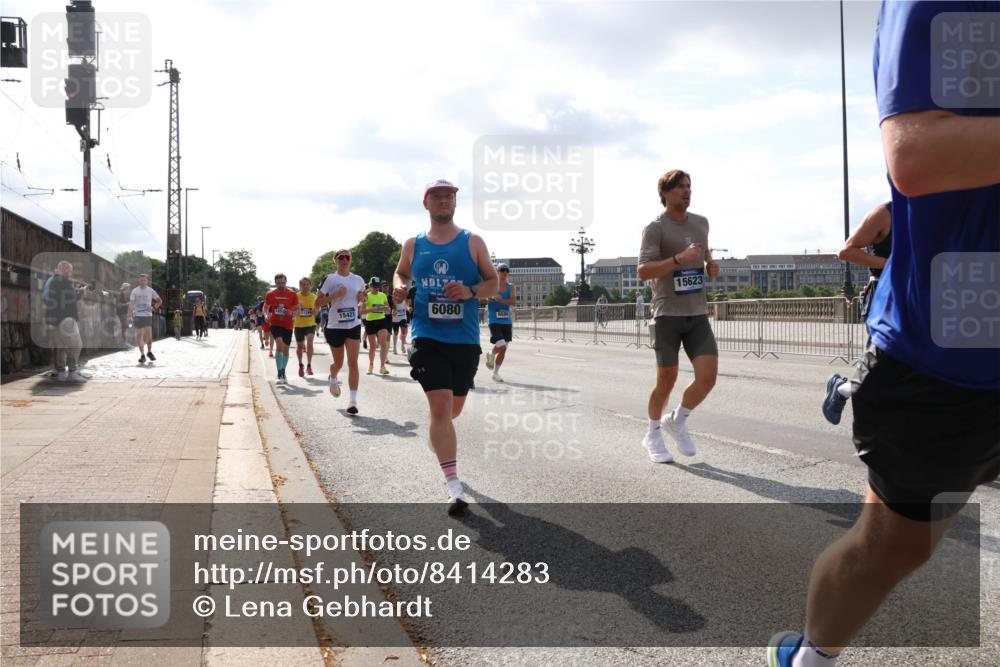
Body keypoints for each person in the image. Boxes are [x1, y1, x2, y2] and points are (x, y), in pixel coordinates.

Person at [768, 2, 1000, 666]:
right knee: (894, 548)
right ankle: (812, 655)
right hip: (947, 353)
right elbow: (914, 155)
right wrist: (882, 262)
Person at [393, 179, 498, 515]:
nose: (442, 201)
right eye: (436, 196)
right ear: (426, 204)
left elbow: (493, 283)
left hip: (464, 339)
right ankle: (454, 486)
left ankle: (438, 436)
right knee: (440, 409)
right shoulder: (413, 244)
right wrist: (399, 287)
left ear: (455, 203)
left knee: (452, 411)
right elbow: (401, 274)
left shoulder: (473, 241)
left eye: (448, 196)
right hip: (426, 334)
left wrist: (469, 292)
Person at [636, 169, 720, 463]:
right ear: (666, 193)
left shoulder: (701, 223)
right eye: (681, 187)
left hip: (697, 312)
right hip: (667, 313)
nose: (687, 191)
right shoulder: (655, 228)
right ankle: (653, 433)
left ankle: (678, 419)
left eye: (689, 186)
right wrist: (676, 260)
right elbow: (644, 271)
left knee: (708, 378)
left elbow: (705, 255)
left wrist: (711, 266)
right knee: (666, 380)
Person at [821, 201, 892, 425]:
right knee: (878, 365)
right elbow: (846, 251)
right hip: (885, 296)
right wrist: (890, 263)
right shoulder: (886, 213)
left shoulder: (936, 212)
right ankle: (841, 390)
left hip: (921, 297)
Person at [316, 249, 366, 414]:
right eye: (341, 257)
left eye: (347, 257)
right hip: (335, 326)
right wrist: (335, 295)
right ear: (336, 261)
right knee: (339, 363)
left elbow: (362, 303)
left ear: (350, 260)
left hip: (353, 324)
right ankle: (333, 376)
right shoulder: (330, 279)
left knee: (353, 362)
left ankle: (353, 401)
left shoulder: (358, 280)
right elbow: (317, 303)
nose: (344, 260)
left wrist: (362, 298)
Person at [42, 260, 88, 382]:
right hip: (66, 318)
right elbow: (71, 298)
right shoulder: (63, 282)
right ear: (61, 269)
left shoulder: (51, 281)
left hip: (55, 319)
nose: (69, 272)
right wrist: (81, 292)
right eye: (67, 269)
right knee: (76, 345)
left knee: (61, 347)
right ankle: (72, 372)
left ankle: (61, 373)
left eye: (69, 269)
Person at [264, 273, 299, 384]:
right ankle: (279, 373)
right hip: (275, 323)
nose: (281, 285)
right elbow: (266, 306)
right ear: (275, 283)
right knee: (279, 343)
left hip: (288, 324)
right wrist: (266, 315)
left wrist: (292, 312)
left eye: (283, 283)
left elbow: (298, 310)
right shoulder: (270, 294)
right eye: (278, 283)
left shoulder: (293, 294)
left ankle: (283, 370)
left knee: (286, 348)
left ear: (286, 282)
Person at [484, 263, 516, 383]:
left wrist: (500, 299)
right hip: (494, 320)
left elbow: (513, 301)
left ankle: (496, 373)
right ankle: (491, 353)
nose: (505, 272)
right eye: (502, 270)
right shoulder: (492, 285)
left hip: (506, 321)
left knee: (504, 349)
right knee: (501, 345)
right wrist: (490, 297)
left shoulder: (511, 286)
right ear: (497, 272)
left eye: (507, 270)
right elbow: (481, 297)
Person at [128, 273, 162, 364]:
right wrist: (129, 315)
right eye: (141, 280)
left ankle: (149, 352)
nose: (142, 281)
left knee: (149, 336)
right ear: (138, 280)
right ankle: (142, 355)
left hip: (147, 315)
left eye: (144, 280)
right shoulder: (135, 291)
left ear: (147, 281)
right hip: (138, 315)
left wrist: (154, 307)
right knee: (140, 335)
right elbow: (131, 304)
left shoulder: (150, 290)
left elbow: (159, 301)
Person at [364, 277, 391, 375]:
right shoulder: (367, 296)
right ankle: (371, 365)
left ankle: (382, 366)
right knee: (373, 347)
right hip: (370, 322)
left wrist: (387, 309)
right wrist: (373, 309)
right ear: (370, 286)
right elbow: (362, 311)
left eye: (378, 286)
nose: (377, 288)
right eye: (375, 286)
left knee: (383, 344)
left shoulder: (383, 295)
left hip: (381, 321)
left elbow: (388, 308)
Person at [294, 277, 318, 377]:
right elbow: (293, 311)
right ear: (300, 286)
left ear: (310, 285)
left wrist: (315, 311)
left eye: (307, 284)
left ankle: (309, 365)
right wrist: (298, 308)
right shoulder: (295, 296)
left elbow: (316, 312)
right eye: (303, 284)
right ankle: (300, 365)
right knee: (300, 346)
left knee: (310, 342)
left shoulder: (314, 297)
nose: (305, 286)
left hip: (310, 324)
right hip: (299, 324)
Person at [390, 287, 410, 355]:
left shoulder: (404, 300)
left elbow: (407, 306)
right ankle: (394, 348)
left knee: (404, 331)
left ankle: (402, 345)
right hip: (395, 319)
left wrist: (408, 308)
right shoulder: (393, 300)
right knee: (395, 332)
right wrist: (393, 312)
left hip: (403, 317)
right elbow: (392, 308)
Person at [116, 282, 131, 347]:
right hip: (121, 313)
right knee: (124, 326)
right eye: (128, 288)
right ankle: (124, 343)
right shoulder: (120, 295)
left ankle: (125, 342)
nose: (129, 289)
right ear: (125, 288)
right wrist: (126, 304)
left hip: (125, 313)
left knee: (125, 327)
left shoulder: (125, 295)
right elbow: (118, 305)